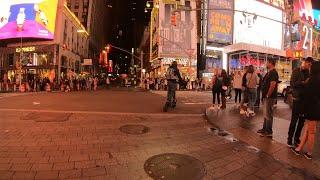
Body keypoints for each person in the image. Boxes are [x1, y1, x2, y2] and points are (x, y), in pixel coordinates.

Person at [291, 61, 320, 160]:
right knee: (308, 129)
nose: (309, 68)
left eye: (311, 66)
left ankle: (309, 153)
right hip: (315, 108)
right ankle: (298, 149)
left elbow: (308, 96)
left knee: (311, 131)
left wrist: (303, 109)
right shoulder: (317, 79)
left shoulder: (313, 80)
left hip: (312, 108)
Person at [287, 57, 313, 147]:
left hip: (305, 100)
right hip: (297, 99)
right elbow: (292, 84)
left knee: (301, 121)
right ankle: (289, 139)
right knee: (294, 120)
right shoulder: (296, 71)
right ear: (305, 62)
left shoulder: (309, 73)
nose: (309, 66)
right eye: (309, 64)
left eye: (311, 65)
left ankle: (296, 138)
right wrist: (303, 82)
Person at [257, 58, 279, 137]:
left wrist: (267, 95)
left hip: (269, 97)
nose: (266, 64)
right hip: (267, 96)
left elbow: (272, 85)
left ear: (270, 63)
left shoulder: (273, 72)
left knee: (268, 114)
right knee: (266, 113)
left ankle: (269, 131)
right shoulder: (269, 72)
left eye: (267, 62)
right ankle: (264, 128)